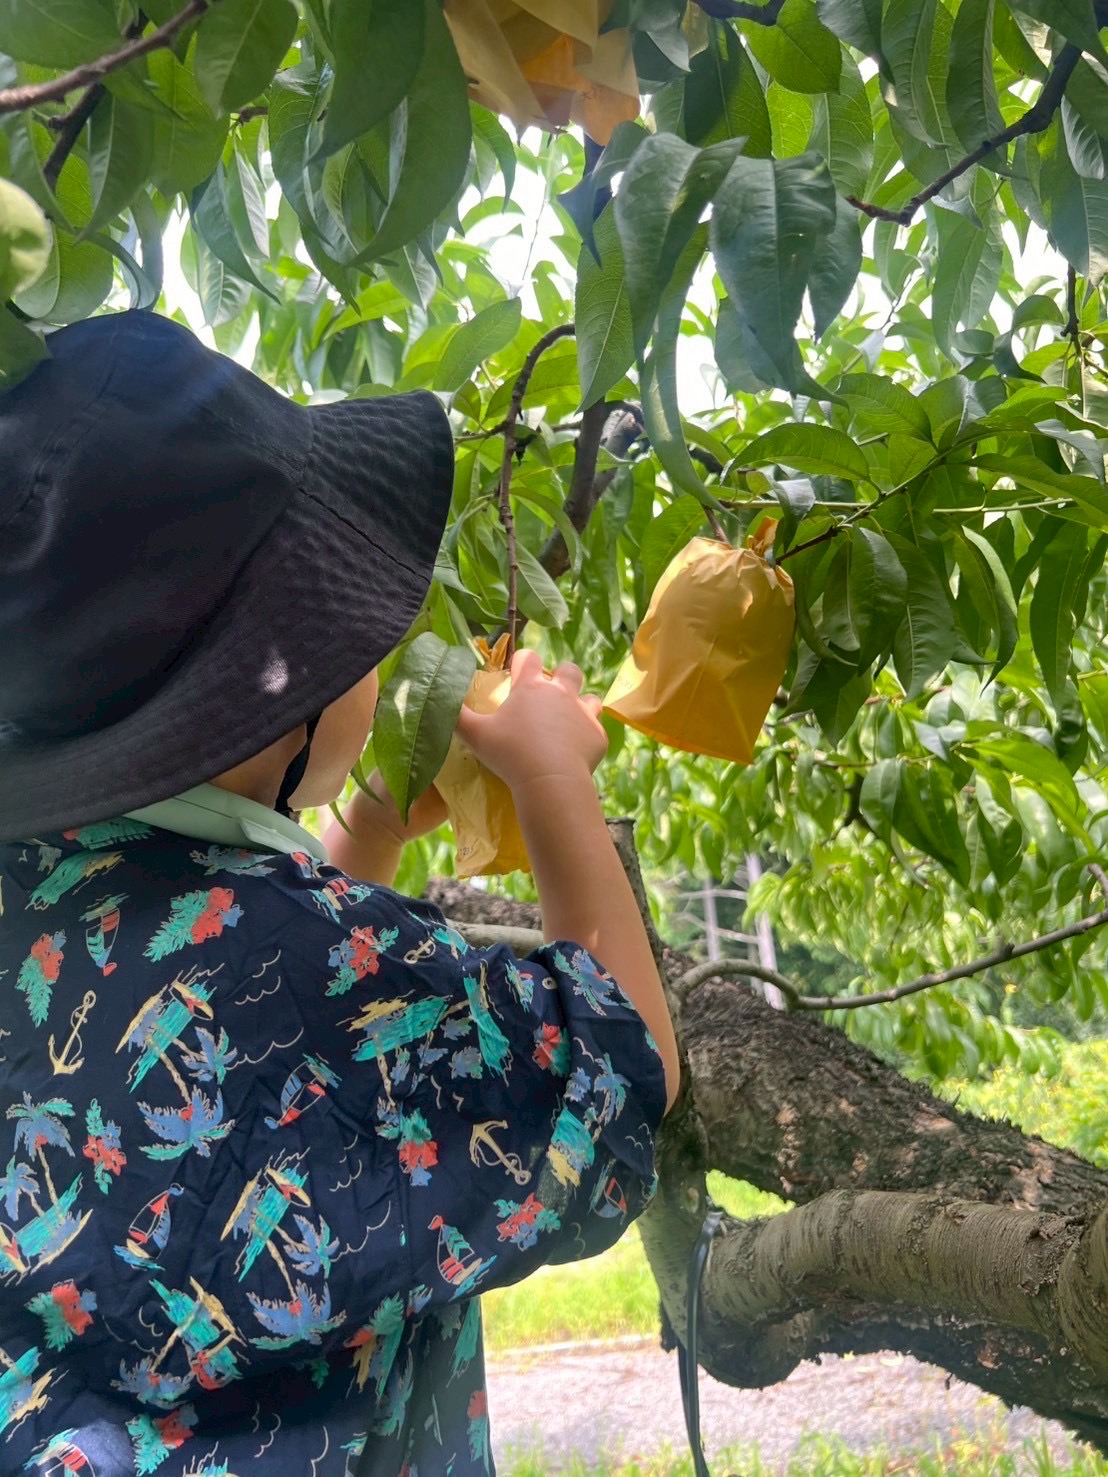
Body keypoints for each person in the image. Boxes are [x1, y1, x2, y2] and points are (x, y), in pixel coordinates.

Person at [0, 312, 679, 1476]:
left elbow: (253, 1033)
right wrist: (557, 778)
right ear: (276, 695)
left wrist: (360, 830)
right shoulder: (335, 968)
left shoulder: (49, 899)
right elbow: (618, 1076)